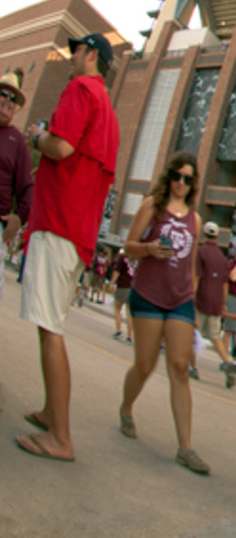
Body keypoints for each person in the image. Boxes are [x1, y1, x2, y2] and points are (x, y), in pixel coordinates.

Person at [17, 32, 119, 463]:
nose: (73, 56)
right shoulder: (109, 109)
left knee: (49, 329)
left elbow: (61, 146)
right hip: (76, 228)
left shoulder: (80, 89)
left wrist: (36, 137)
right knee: (51, 322)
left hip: (58, 221)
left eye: (77, 50)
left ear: (91, 54)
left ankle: (60, 436)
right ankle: (50, 412)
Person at [118, 151, 209, 474]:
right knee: (145, 364)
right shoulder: (152, 207)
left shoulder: (194, 220)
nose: (181, 183)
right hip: (148, 294)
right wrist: (149, 248)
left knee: (180, 366)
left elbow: (192, 263)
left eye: (188, 178)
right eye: (177, 176)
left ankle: (185, 447)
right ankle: (127, 408)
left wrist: (193, 299)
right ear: (169, 177)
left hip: (180, 299)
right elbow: (128, 245)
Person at [193, 220, 236, 384]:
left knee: (193, 333)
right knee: (215, 336)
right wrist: (223, 303)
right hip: (216, 301)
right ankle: (227, 363)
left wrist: (191, 296)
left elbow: (197, 277)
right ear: (217, 236)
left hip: (201, 299)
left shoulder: (201, 252)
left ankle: (192, 367)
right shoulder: (221, 257)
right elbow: (225, 282)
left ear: (204, 234)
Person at [0, 70, 33, 268]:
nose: (8, 100)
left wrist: (19, 217)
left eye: (13, 98)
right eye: (3, 93)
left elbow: (28, 186)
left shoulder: (17, 141)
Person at [108, 248, 135, 342]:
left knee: (117, 308)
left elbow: (117, 271)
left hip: (123, 285)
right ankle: (129, 336)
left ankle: (119, 330)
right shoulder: (139, 258)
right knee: (129, 313)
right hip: (134, 288)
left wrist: (112, 283)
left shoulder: (123, 257)